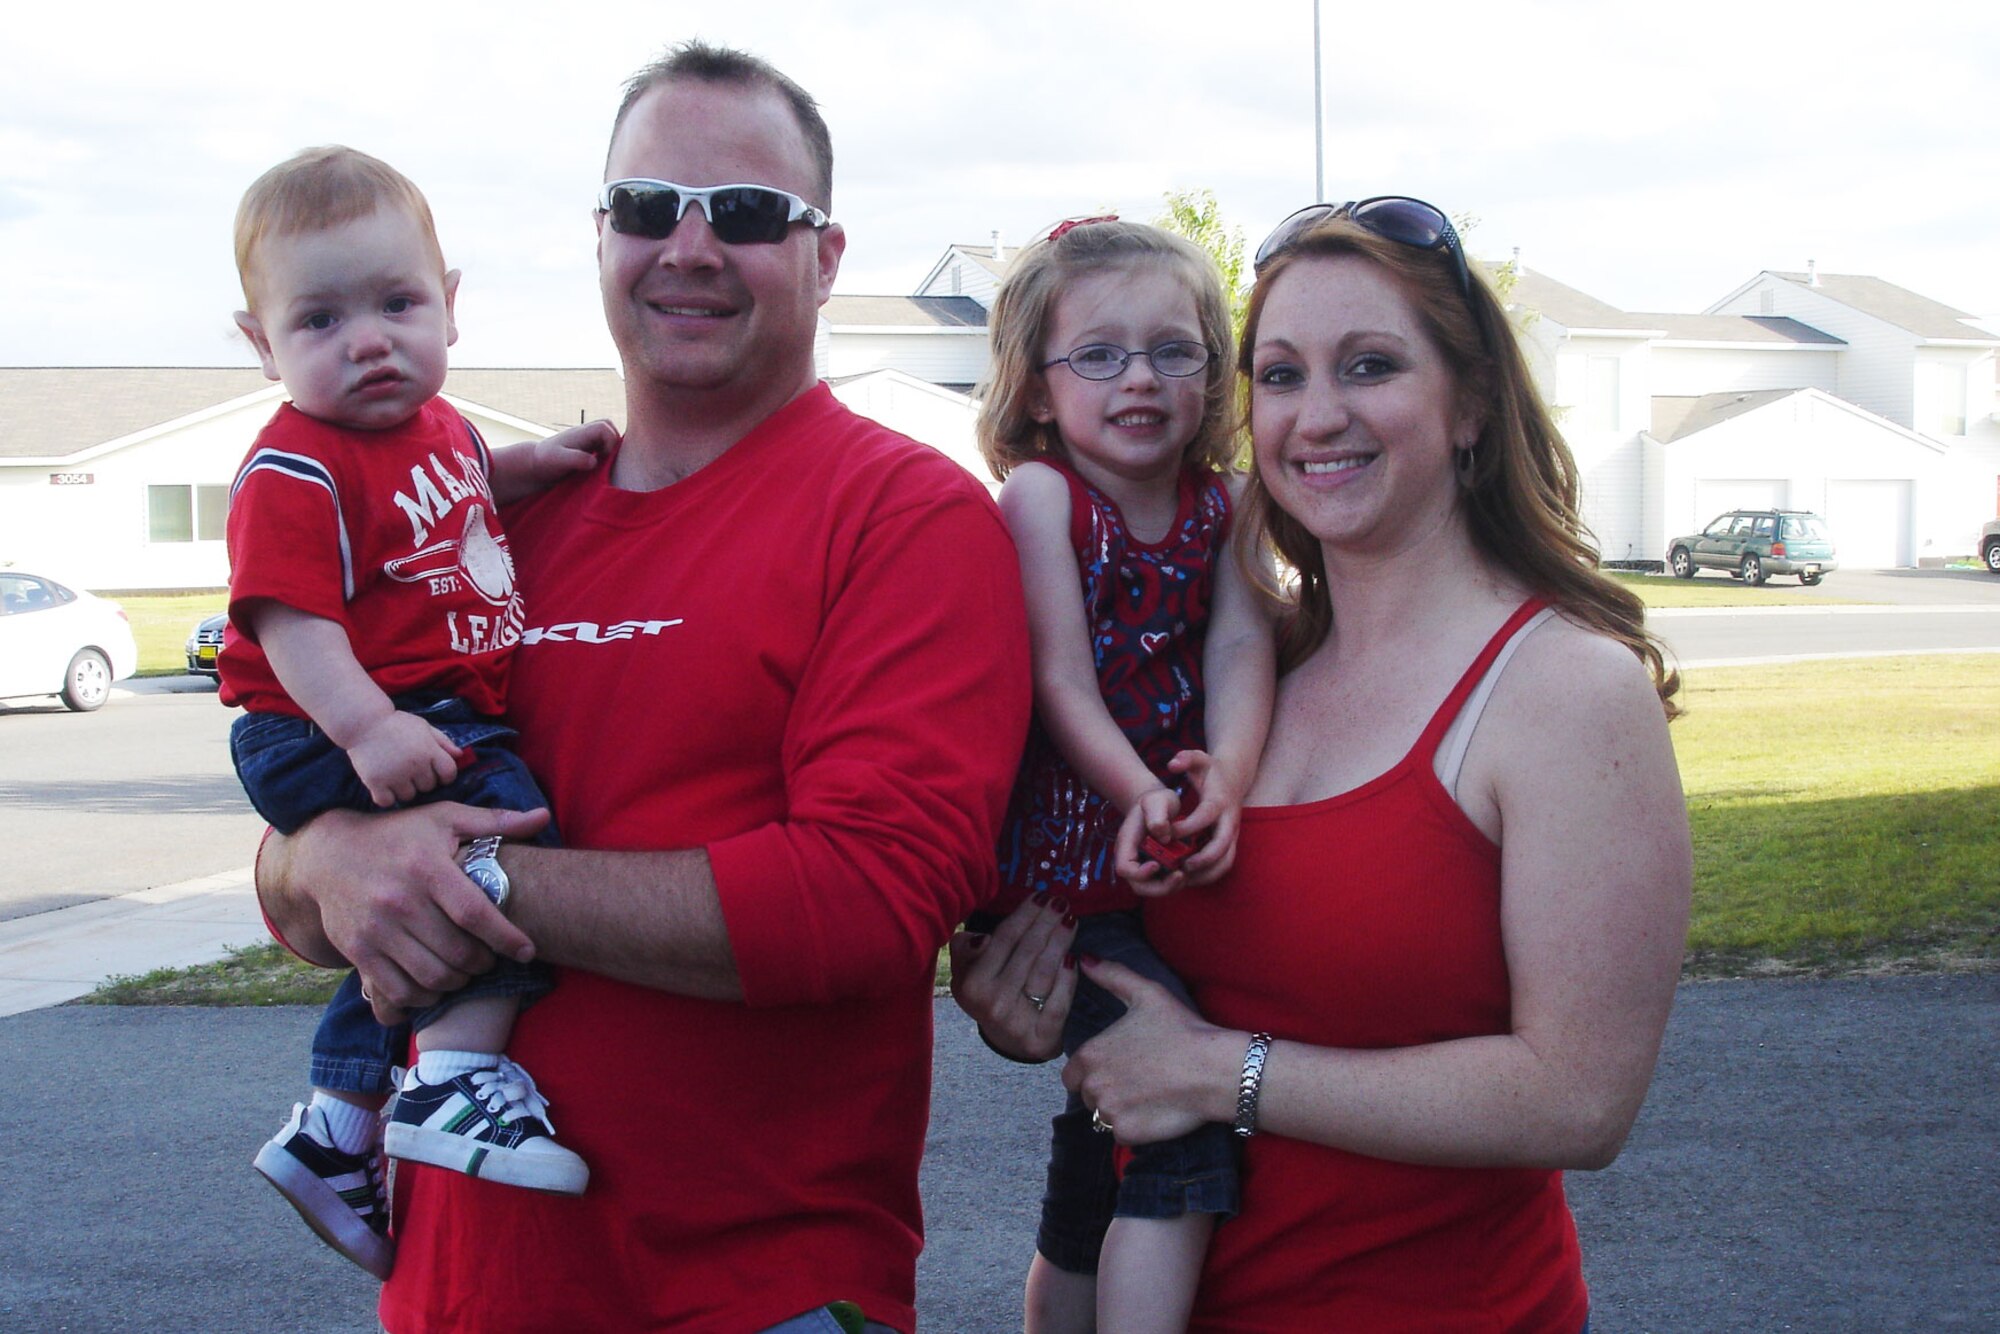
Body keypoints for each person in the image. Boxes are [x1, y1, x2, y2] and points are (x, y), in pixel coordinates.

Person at [254, 41, 1030, 1334]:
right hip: (457, 1295)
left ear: (825, 257)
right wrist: (320, 859)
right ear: (599, 234)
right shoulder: (500, 518)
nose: (688, 246)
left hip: (754, 1292)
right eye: (645, 208)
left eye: (743, 214)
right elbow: (303, 870)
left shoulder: (906, 514)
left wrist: (466, 880)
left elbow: (866, 899)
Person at [956, 196, 1692, 1331]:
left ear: (1472, 403)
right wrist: (1038, 1003)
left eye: (1369, 365)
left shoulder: (1561, 689)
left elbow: (1576, 1100)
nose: (1316, 415)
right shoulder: (1227, 686)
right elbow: (1139, 1023)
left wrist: (1217, 1072)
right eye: (1282, 374)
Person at [222, 145, 615, 1277]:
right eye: (319, 320)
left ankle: (336, 1126)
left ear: (448, 304)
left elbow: (460, 491)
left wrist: (536, 463)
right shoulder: (295, 462)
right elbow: (290, 621)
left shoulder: (430, 428)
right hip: (327, 720)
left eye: (397, 303)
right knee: (491, 844)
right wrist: (367, 727)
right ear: (264, 346)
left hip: (405, 704)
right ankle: (448, 1083)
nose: (367, 339)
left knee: (405, 910)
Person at [968, 217, 1273, 1334]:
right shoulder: (1044, 498)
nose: (1138, 377)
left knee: (1103, 1136)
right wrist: (1135, 785)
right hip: (1061, 879)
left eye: (1173, 349)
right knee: (1179, 1131)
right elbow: (1057, 677)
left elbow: (1240, 645)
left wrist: (1224, 772)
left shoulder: (1224, 504)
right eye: (1097, 354)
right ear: (1038, 389)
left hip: (1161, 864)